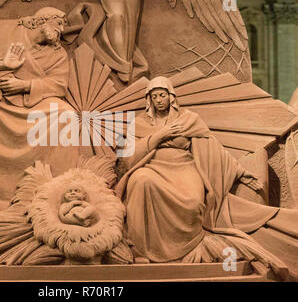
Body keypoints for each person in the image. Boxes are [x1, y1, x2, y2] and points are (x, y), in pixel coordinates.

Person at [114, 76, 294, 279]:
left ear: (171, 97)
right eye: (154, 96)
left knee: (192, 202)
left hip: (184, 168)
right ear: (149, 100)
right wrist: (159, 136)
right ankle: (141, 250)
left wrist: (240, 172)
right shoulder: (139, 124)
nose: (159, 100)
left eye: (162, 95)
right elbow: (128, 157)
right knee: (140, 180)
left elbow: (213, 149)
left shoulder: (189, 119)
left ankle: (183, 247)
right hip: (153, 167)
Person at [0, 7, 79, 200]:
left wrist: (25, 85)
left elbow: (58, 85)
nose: (61, 30)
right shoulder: (0, 30)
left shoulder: (58, 54)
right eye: (59, 23)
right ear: (43, 20)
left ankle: (57, 190)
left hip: (33, 103)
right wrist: (1, 64)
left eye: (63, 26)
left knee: (67, 115)